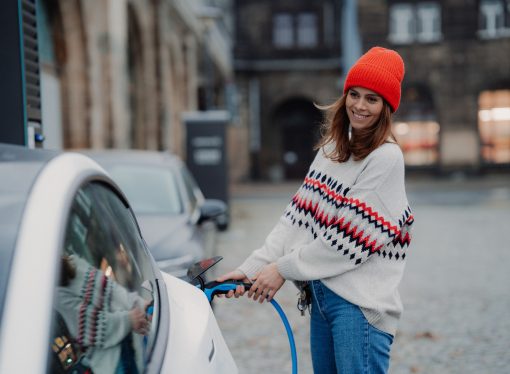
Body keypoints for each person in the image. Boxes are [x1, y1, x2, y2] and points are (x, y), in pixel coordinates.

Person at [218, 46, 414, 373]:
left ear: (386, 108)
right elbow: (296, 219)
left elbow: (347, 240)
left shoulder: (386, 158)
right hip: (322, 298)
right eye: (355, 94)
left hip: (359, 308)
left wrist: (281, 269)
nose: (360, 105)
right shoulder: (332, 150)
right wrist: (253, 268)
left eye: (372, 99)